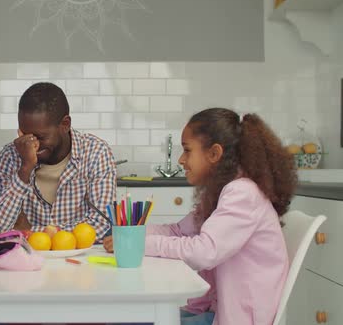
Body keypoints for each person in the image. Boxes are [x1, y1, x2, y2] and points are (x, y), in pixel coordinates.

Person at [104, 108, 297, 325]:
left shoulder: (243, 193)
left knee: (123, 319)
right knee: (128, 318)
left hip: (237, 318)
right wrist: (129, 234)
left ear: (214, 154)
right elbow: (177, 231)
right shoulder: (223, 190)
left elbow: (204, 252)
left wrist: (140, 245)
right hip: (212, 310)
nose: (181, 159)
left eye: (187, 150)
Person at [0, 82, 116, 240]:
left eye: (40, 137)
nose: (32, 144)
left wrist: (30, 231)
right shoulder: (10, 156)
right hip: (26, 260)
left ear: (65, 124)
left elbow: (102, 224)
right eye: (24, 134)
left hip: (82, 260)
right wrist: (25, 170)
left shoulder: (96, 152)